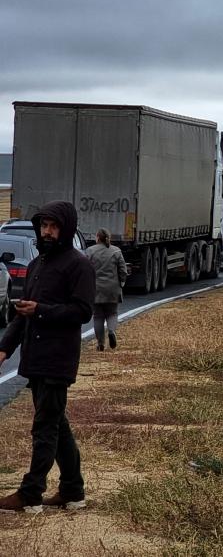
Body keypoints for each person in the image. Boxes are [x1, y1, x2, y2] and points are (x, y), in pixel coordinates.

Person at [0, 201, 96, 514]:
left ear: (65, 229)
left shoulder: (79, 265)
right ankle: (72, 490)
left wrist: (41, 311)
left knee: (44, 427)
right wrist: (4, 349)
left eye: (53, 226)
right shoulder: (36, 266)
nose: (47, 232)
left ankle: (31, 493)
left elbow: (82, 312)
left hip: (58, 357)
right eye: (44, 226)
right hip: (35, 357)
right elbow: (21, 315)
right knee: (57, 425)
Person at [85, 229, 127, 351]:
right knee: (112, 313)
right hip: (113, 288)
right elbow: (123, 270)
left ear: (97, 237)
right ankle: (112, 331)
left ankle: (100, 344)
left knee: (98, 316)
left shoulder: (90, 251)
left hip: (96, 288)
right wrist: (122, 282)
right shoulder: (116, 251)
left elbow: (85, 270)